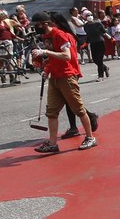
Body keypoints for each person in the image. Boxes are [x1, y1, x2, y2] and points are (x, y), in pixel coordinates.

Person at [31, 11, 97, 152]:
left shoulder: (59, 35)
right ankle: (53, 144)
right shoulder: (45, 36)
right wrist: (46, 69)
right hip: (54, 77)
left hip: (67, 76)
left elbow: (66, 56)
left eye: (37, 25)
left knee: (78, 109)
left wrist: (45, 53)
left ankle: (90, 137)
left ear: (45, 24)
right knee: (52, 112)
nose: (36, 27)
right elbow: (54, 58)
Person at [82, 11, 109, 81]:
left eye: (90, 15)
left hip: (100, 43)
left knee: (99, 60)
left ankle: (101, 76)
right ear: (85, 18)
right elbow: (88, 35)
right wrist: (85, 43)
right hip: (93, 43)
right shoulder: (85, 26)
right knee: (95, 60)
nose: (89, 16)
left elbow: (104, 32)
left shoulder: (98, 23)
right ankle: (105, 68)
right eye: (88, 15)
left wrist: (111, 38)